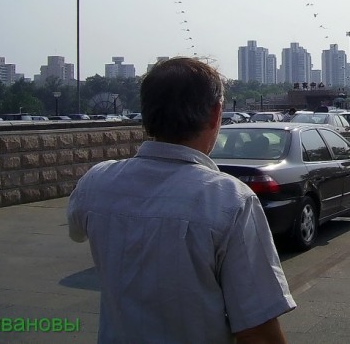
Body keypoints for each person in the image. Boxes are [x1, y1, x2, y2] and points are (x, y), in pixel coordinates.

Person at [67, 57, 295, 343]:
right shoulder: (229, 199)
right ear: (215, 115)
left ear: (147, 114)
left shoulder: (96, 182)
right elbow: (258, 331)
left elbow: (76, 231)